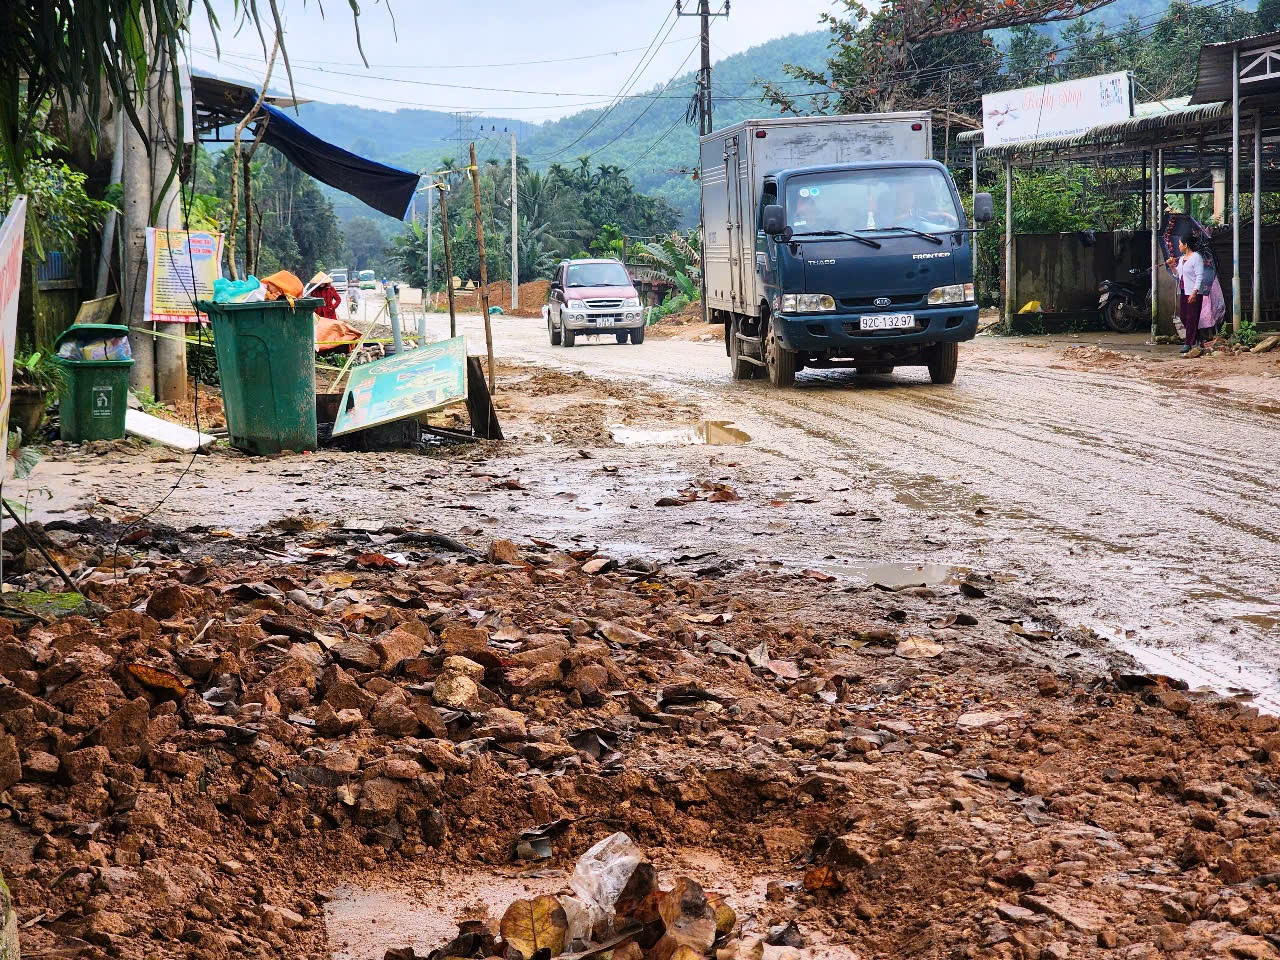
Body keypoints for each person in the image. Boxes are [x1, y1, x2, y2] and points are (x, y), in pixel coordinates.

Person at [1169, 234, 1209, 355]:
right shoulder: (1181, 259)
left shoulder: (1196, 258)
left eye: (1180, 244)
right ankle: (1197, 338)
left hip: (1194, 292)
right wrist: (1172, 266)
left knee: (1192, 318)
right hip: (1184, 291)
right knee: (1183, 317)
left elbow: (1199, 276)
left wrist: (1194, 292)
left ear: (1186, 245)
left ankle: (1189, 343)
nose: (1179, 246)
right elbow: (1177, 275)